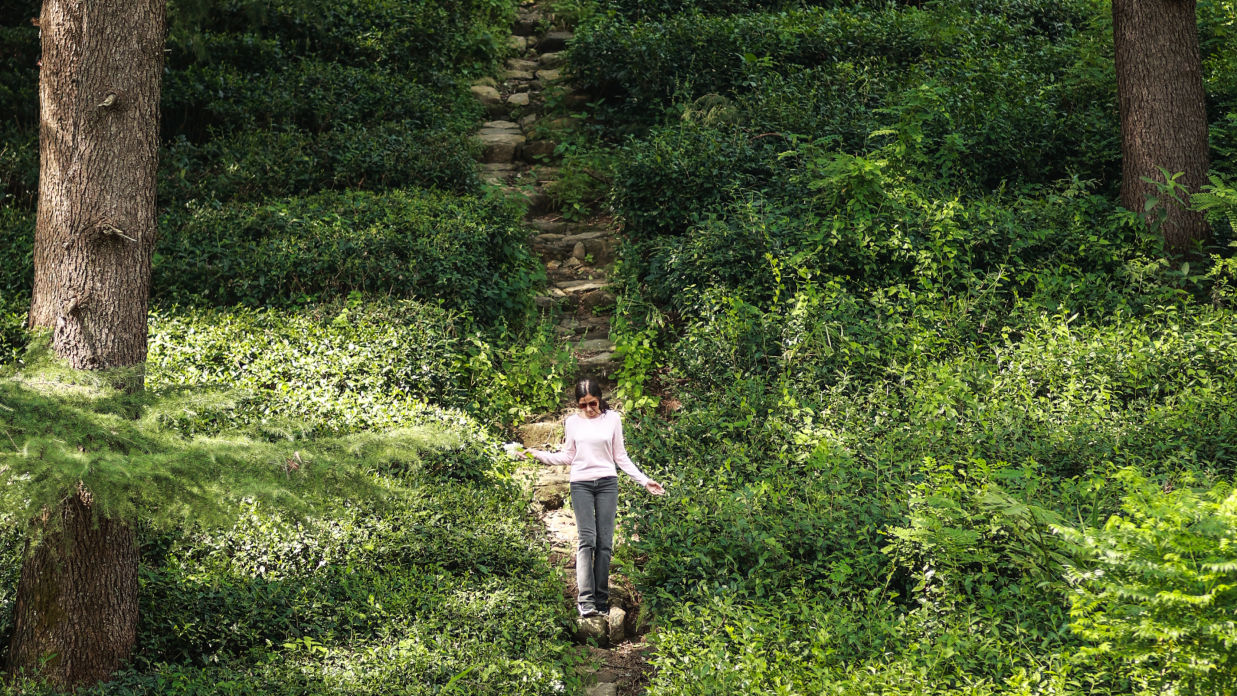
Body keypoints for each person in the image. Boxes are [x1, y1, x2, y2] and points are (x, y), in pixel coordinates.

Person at [514, 377, 664, 618]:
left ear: (600, 399)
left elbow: (620, 456)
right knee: (587, 540)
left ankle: (601, 598)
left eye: (592, 403)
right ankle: (586, 601)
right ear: (577, 404)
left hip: (607, 483)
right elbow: (567, 456)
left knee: (605, 542)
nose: (588, 409)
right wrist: (537, 454)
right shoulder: (572, 422)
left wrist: (644, 480)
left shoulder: (612, 419)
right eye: (582, 405)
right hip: (580, 484)